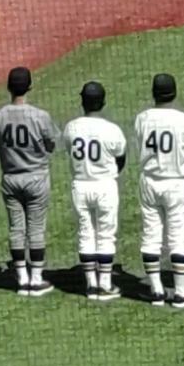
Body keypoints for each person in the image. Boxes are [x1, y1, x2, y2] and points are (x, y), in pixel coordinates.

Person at [134, 72, 184, 308]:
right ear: (174, 93)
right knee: (178, 236)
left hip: (149, 181)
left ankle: (156, 290)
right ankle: (181, 292)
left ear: (153, 93)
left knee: (151, 235)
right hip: (176, 182)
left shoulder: (142, 118)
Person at [0, 66, 57, 296]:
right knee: (35, 228)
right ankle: (36, 279)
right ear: (29, 86)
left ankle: (21, 277)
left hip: (10, 178)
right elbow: (51, 145)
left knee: (16, 228)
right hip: (36, 177)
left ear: (8, 87)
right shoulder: (39, 115)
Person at [64, 80, 127, 301]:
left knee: (86, 232)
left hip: (80, 185)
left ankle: (91, 284)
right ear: (103, 102)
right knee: (106, 234)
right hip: (105, 185)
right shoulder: (112, 129)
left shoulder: (71, 127)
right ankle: (106, 283)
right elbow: (121, 158)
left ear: (82, 101)